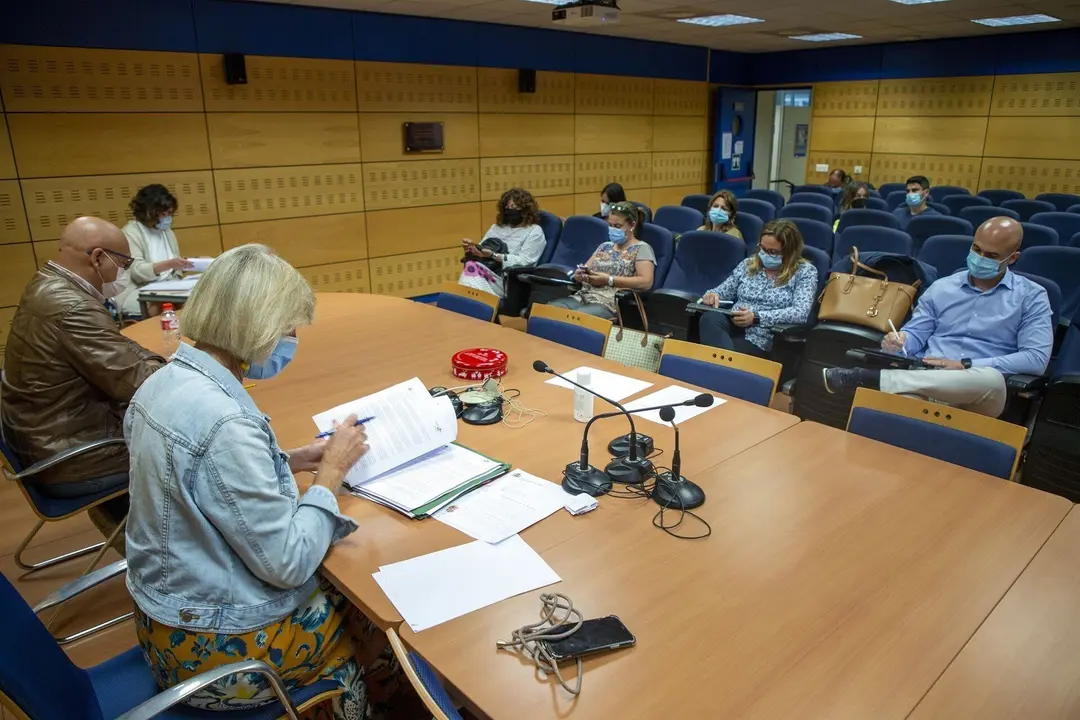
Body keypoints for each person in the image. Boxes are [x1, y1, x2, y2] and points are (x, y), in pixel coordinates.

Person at [124, 244, 420, 719]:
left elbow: (197, 474)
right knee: (373, 616)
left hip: (163, 620)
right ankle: (360, 700)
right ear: (257, 329)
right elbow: (287, 563)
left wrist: (293, 458)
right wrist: (330, 475)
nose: (292, 340)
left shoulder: (161, 383)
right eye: (288, 329)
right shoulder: (225, 422)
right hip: (219, 650)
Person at [0, 217, 165, 547]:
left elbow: (118, 349)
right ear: (98, 258)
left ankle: (130, 526)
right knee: (184, 448)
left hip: (45, 437)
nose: (123, 273)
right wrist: (165, 365)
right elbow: (138, 382)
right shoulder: (72, 306)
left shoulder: (48, 284)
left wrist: (150, 361)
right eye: (123, 263)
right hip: (72, 457)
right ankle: (164, 557)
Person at [824, 217, 1053, 418]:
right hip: (927, 378)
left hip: (978, 391)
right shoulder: (942, 288)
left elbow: (1035, 359)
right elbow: (916, 334)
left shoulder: (1031, 297)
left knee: (991, 379)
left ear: (1012, 258)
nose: (980, 258)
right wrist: (899, 340)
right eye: (976, 249)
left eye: (991, 255)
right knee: (898, 419)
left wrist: (966, 365)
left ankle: (869, 379)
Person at [699, 219, 818, 357]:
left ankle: (720, 366)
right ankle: (723, 366)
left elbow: (800, 312)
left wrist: (756, 317)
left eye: (773, 252)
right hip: (733, 323)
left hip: (762, 335)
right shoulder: (749, 264)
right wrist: (712, 295)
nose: (765, 255)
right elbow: (723, 291)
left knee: (718, 351)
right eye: (762, 248)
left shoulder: (805, 272)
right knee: (709, 318)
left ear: (789, 251)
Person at [548, 201, 655, 320]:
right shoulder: (604, 246)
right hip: (584, 296)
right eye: (610, 225)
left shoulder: (642, 248)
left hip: (610, 303)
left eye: (618, 226)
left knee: (574, 318)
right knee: (551, 311)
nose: (613, 229)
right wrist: (580, 275)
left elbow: (646, 282)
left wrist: (609, 280)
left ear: (632, 225)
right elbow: (586, 269)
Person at [115, 184, 194, 318]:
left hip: (169, 287)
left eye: (170, 213)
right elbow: (137, 271)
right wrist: (169, 264)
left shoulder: (166, 232)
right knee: (165, 303)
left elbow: (173, 269)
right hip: (139, 291)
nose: (168, 218)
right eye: (164, 214)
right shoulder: (130, 232)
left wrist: (187, 263)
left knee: (196, 297)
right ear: (149, 212)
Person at [459, 188, 546, 298]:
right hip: (486, 271)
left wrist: (494, 255)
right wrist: (471, 250)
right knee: (470, 271)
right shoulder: (496, 228)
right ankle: (477, 309)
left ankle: (476, 308)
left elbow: (526, 261)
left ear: (525, 210)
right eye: (506, 207)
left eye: (514, 207)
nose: (509, 210)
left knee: (470, 276)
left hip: (507, 279)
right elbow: (481, 250)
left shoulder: (534, 231)